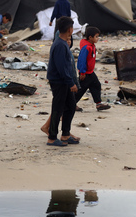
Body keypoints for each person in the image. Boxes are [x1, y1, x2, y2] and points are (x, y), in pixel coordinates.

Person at [46, 16, 80, 147]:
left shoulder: (62, 43)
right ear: (69, 29)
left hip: (63, 80)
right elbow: (61, 67)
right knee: (57, 109)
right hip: (59, 81)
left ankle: (66, 134)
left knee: (70, 106)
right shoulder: (60, 44)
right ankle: (52, 137)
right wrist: (70, 82)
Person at [75, 26, 111, 112]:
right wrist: (82, 72)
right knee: (81, 90)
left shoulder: (92, 46)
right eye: (96, 36)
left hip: (90, 72)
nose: (98, 38)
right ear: (90, 37)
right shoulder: (86, 47)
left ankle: (98, 104)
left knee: (96, 85)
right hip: (85, 73)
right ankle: (71, 104)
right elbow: (81, 60)